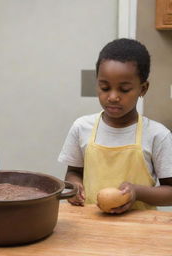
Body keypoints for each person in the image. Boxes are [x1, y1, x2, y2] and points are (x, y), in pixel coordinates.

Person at [58, 38, 172, 213]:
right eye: (104, 87)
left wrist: (137, 192)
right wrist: (74, 186)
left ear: (143, 89)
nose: (112, 96)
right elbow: (73, 172)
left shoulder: (157, 135)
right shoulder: (81, 127)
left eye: (124, 89)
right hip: (90, 225)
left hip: (140, 230)